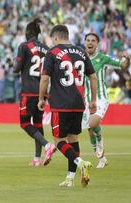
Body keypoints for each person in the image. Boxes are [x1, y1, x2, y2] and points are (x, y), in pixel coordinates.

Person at [38, 25, 97, 187]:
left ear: (55, 38)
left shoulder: (52, 53)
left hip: (60, 103)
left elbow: (44, 79)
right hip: (79, 103)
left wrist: (41, 98)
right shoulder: (81, 52)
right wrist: (93, 100)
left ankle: (81, 163)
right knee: (73, 139)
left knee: (59, 142)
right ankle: (70, 178)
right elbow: (92, 76)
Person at [82, 33, 130, 168]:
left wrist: (127, 58)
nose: (90, 42)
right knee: (90, 129)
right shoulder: (80, 59)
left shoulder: (102, 58)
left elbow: (122, 65)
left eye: (93, 40)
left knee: (93, 123)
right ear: (85, 43)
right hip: (87, 100)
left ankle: (99, 140)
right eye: (88, 40)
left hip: (100, 98)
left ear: (97, 44)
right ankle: (102, 159)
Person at [13, 18, 56, 166]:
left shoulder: (24, 46)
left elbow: (16, 69)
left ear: (27, 32)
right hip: (42, 92)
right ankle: (37, 158)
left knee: (24, 123)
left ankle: (47, 145)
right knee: (37, 123)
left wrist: (17, 63)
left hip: (28, 91)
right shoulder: (46, 48)